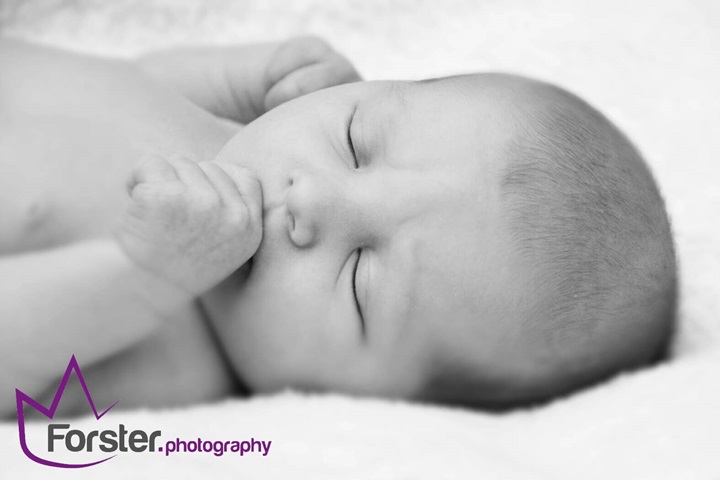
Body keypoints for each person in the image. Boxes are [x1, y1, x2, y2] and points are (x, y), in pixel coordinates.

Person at [0, 36, 675, 417]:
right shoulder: (230, 141)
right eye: (354, 139)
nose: (312, 198)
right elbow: (124, 83)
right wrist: (247, 80)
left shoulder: (179, 369)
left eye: (358, 279)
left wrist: (144, 278)